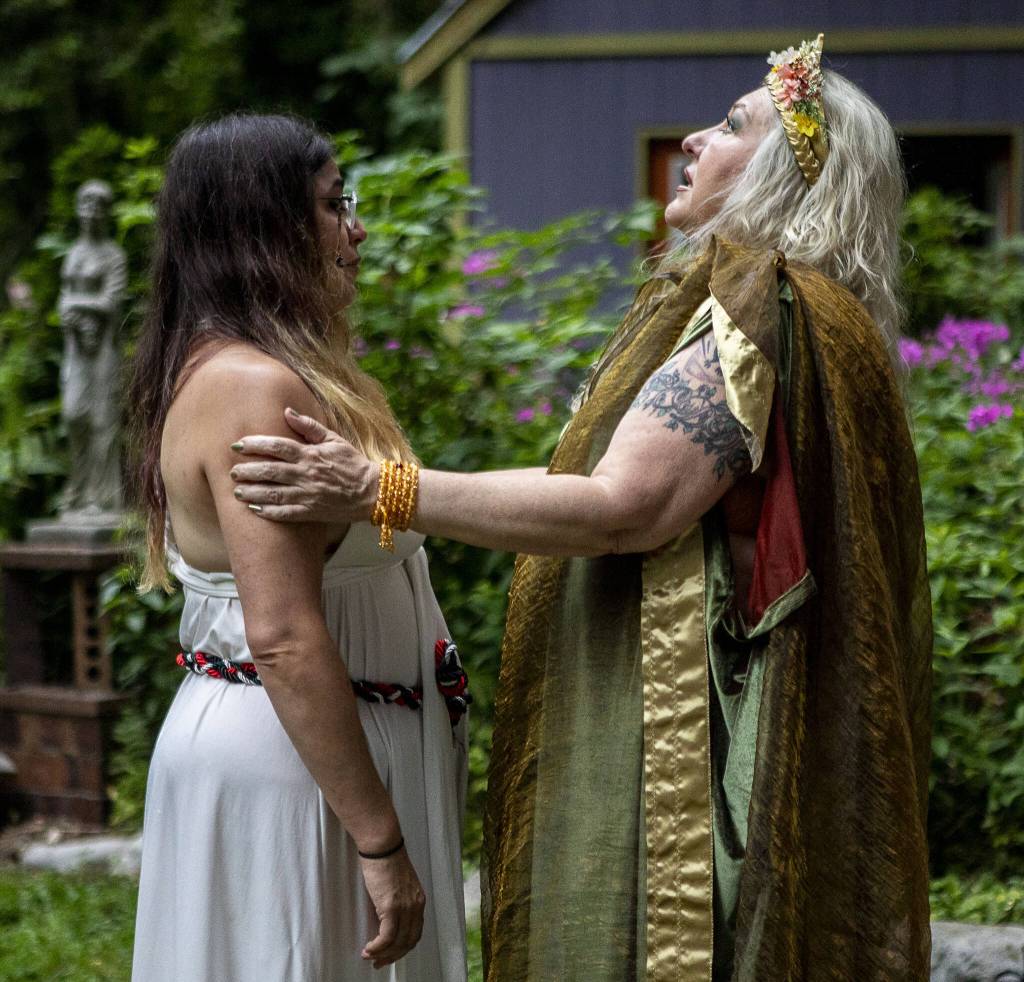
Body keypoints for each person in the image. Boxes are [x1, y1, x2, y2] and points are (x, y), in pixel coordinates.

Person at [230, 38, 933, 981]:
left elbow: (623, 507)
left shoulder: (759, 307)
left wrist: (374, 488)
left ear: (786, 176)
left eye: (730, 126)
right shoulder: (820, 315)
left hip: (692, 742)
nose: (693, 137)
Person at [128, 113, 468, 982]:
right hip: (300, 767)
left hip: (330, 750)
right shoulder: (252, 386)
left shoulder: (284, 372)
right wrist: (379, 841)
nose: (354, 228)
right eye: (330, 204)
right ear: (260, 226)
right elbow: (279, 635)